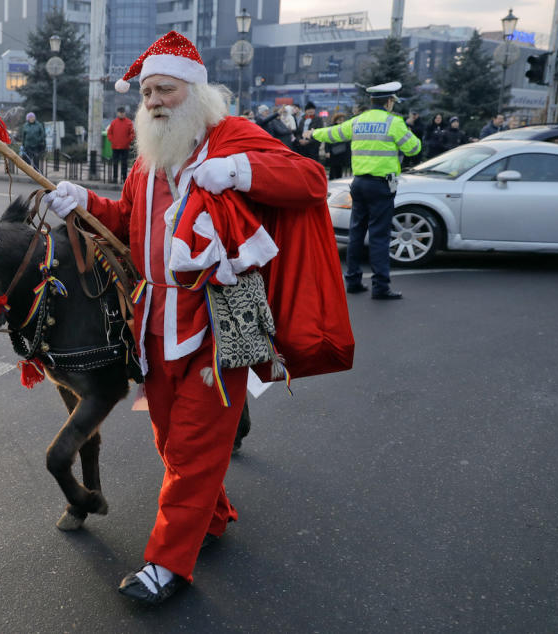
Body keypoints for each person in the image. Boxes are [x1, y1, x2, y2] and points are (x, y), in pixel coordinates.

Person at [43, 30, 328, 606]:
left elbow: (311, 181)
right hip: (153, 321)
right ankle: (212, 514)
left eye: (165, 90)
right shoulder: (149, 160)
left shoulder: (231, 139)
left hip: (222, 320)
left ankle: (167, 562)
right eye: (146, 92)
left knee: (196, 442)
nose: (152, 102)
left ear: (195, 92)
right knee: (171, 438)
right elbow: (124, 219)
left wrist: (242, 173)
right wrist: (84, 202)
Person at [309, 81, 421, 299]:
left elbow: (332, 134)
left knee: (356, 233)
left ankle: (352, 280)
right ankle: (380, 287)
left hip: (358, 184)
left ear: (372, 101)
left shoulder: (357, 121)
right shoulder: (394, 122)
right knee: (379, 236)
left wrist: (312, 134)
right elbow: (414, 147)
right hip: (381, 186)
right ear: (389, 102)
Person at [106, 106, 135, 184]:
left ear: (125, 113)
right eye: (120, 113)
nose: (121, 114)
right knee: (115, 163)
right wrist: (112, 140)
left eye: (123, 113)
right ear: (117, 113)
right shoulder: (114, 122)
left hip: (125, 147)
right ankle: (115, 178)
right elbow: (109, 133)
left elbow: (132, 134)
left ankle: (124, 178)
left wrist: (128, 141)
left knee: (124, 163)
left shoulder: (129, 122)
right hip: (115, 146)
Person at [323, 112, 351, 179]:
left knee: (340, 169)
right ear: (336, 120)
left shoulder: (345, 128)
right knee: (333, 168)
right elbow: (327, 140)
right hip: (333, 151)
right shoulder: (331, 128)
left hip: (342, 151)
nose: (341, 122)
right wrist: (327, 151)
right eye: (339, 120)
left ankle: (339, 180)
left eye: (342, 120)